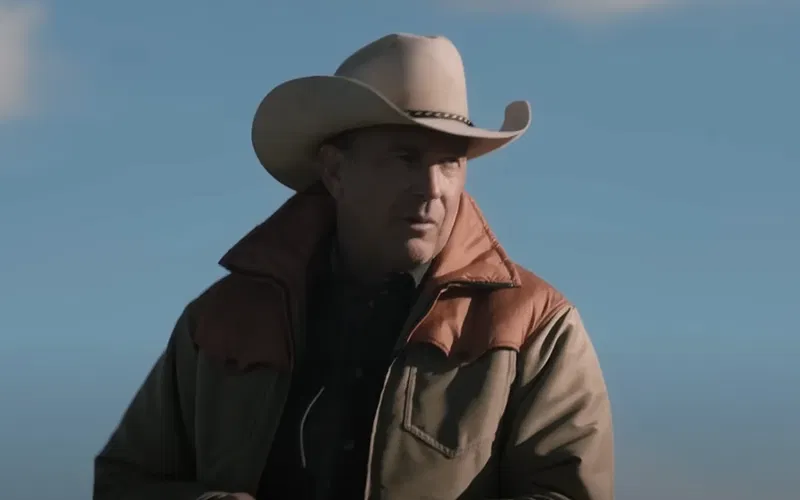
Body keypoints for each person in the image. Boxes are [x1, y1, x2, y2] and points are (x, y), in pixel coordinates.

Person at [93, 33, 614, 500]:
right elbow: (124, 483)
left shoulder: (536, 326)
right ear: (336, 171)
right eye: (406, 158)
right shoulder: (218, 322)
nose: (432, 188)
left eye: (450, 163)